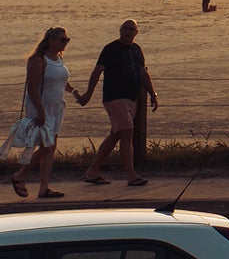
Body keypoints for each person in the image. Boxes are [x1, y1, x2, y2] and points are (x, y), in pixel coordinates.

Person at [78, 20, 157, 187]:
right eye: (125, 29)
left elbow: (143, 73)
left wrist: (152, 94)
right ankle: (131, 175)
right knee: (127, 132)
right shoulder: (111, 49)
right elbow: (97, 71)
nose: (127, 32)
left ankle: (92, 171)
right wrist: (88, 94)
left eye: (131, 29)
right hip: (114, 97)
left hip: (131, 97)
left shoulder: (136, 50)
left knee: (117, 134)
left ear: (136, 32)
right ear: (120, 30)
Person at [6, 27, 79, 199]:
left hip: (56, 108)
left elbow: (61, 81)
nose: (65, 43)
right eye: (62, 40)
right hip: (41, 108)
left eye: (67, 40)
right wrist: (40, 111)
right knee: (48, 147)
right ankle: (19, 175)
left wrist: (74, 91)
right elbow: (32, 88)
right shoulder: (38, 60)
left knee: (50, 148)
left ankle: (43, 188)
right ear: (50, 40)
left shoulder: (58, 58)